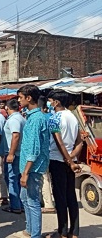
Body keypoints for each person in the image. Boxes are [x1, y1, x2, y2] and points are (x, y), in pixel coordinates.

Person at [46, 89, 83, 238]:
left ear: (56, 102)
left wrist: (67, 159)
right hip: (70, 160)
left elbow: (58, 141)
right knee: (71, 196)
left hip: (58, 160)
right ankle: (74, 232)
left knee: (60, 197)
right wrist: (72, 158)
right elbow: (80, 141)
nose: (49, 104)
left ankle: (62, 231)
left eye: (50, 101)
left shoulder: (54, 118)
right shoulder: (73, 117)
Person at [17, 85, 50, 238]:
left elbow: (34, 149)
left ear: (28, 98)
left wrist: (25, 172)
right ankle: (30, 229)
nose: (19, 100)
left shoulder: (37, 119)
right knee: (25, 198)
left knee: (32, 201)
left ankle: (35, 234)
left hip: (32, 168)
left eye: (20, 97)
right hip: (28, 167)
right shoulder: (31, 116)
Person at [2, 99, 26, 214]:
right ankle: (19, 204)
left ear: (7, 107)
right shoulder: (21, 118)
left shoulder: (14, 120)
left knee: (12, 179)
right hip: (19, 152)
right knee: (16, 179)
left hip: (14, 153)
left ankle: (15, 205)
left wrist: (11, 153)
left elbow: (15, 136)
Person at [39, 96, 56, 214]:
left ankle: (48, 203)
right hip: (54, 151)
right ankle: (47, 200)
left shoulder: (40, 118)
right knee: (48, 177)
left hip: (44, 151)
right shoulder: (52, 117)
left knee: (44, 178)